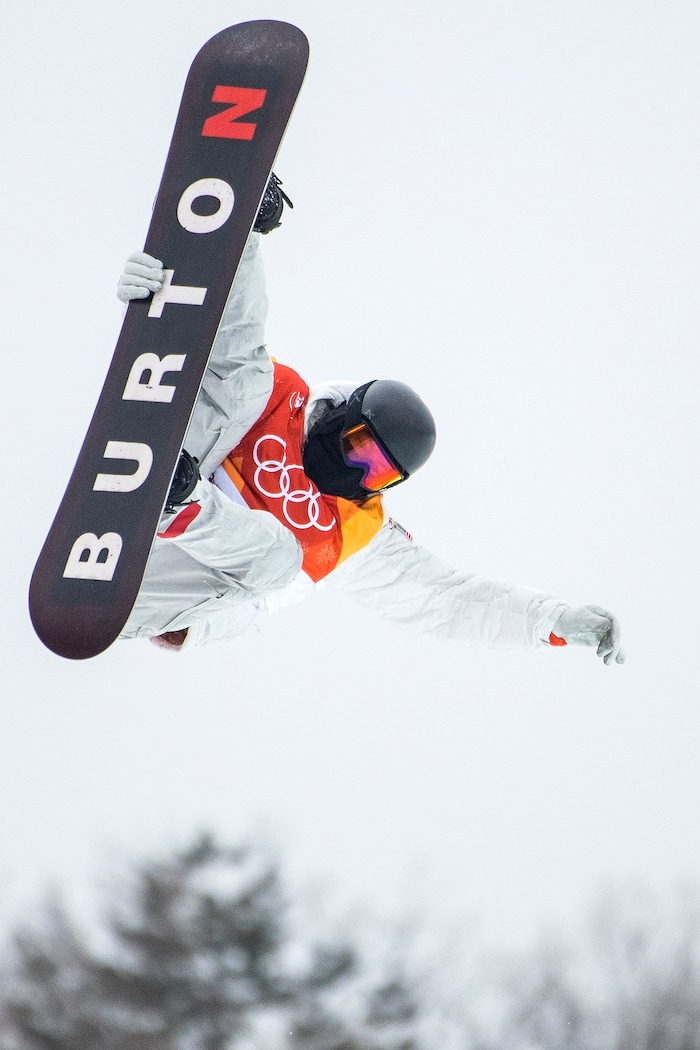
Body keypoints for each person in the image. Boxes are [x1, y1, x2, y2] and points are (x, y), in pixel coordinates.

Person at [117, 178, 625, 665]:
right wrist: (156, 294)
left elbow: (449, 600)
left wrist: (556, 620)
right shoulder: (278, 400)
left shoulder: (355, 532)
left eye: (376, 473)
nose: (358, 470)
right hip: (177, 453)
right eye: (360, 446)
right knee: (249, 376)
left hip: (171, 578)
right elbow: (228, 336)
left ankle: (173, 502)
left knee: (281, 560)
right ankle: (243, 226)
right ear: (342, 417)